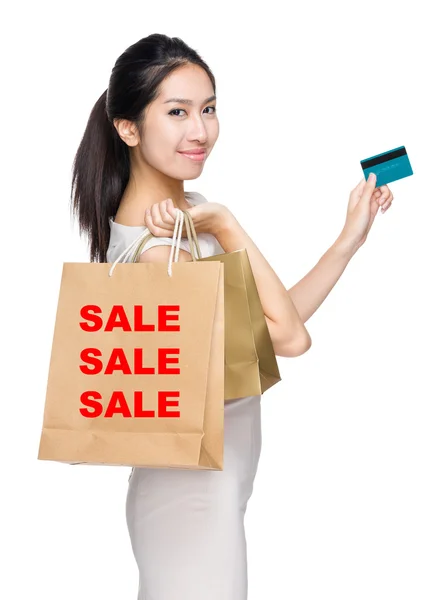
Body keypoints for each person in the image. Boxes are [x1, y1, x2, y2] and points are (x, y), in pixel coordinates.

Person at [70, 33, 393, 600]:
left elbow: (268, 328)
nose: (200, 131)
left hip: (209, 493)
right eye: (177, 112)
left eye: (209, 108)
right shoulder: (156, 251)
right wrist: (229, 226)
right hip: (190, 505)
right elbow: (289, 340)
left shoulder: (187, 216)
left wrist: (349, 239)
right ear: (127, 128)